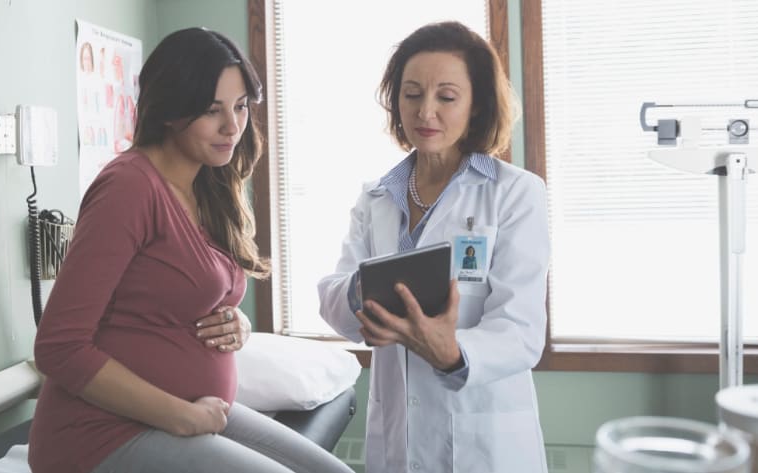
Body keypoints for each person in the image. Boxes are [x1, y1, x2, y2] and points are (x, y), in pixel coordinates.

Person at [29, 27, 353, 473]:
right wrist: (180, 417)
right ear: (169, 110)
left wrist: (234, 322)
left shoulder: (208, 183)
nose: (233, 126)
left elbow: (176, 292)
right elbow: (57, 347)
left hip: (188, 409)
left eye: (240, 107)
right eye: (211, 110)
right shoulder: (128, 188)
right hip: (101, 433)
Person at [318, 21, 549, 473]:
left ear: (476, 105)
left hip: (483, 441)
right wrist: (362, 300)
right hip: (397, 440)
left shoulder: (515, 193)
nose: (425, 112)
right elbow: (336, 297)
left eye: (446, 96)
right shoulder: (376, 198)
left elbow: (521, 329)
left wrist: (452, 351)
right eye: (411, 94)